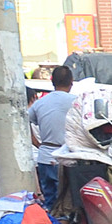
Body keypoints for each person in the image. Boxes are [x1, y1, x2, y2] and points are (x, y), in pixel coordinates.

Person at [26, 64, 75, 210]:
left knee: (50, 199)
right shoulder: (78, 101)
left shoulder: (39, 103)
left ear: (52, 81)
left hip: (46, 154)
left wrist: (37, 143)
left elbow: (25, 123)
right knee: (70, 198)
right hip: (71, 156)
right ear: (71, 82)